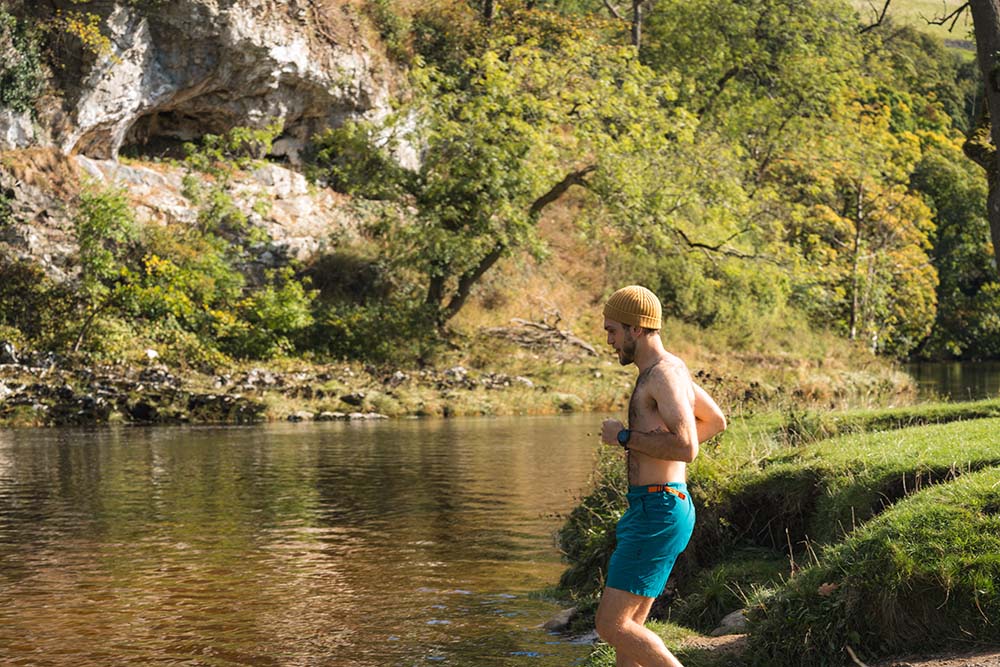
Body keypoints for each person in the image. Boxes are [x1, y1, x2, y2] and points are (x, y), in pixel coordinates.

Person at [594, 285, 727, 667]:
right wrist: (657, 453)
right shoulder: (671, 369)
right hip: (659, 504)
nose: (609, 341)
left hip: (659, 507)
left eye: (612, 330)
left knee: (611, 625)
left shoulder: (661, 376)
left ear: (636, 329)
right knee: (629, 632)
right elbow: (714, 421)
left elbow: (687, 446)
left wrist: (624, 438)